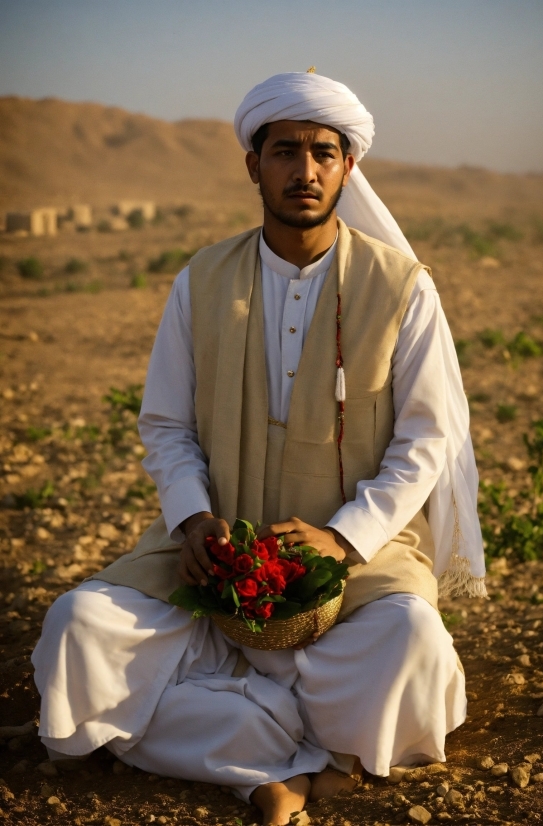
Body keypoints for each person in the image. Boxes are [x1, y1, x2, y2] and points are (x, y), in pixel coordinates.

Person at [32, 71, 486, 826]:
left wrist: (344, 538)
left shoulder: (402, 287)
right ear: (254, 164)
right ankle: (312, 755)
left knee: (412, 643)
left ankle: (240, 744)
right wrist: (193, 523)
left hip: (356, 562)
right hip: (217, 557)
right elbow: (168, 424)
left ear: (348, 167)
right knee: (76, 630)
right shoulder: (202, 280)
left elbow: (426, 438)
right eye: (285, 151)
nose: (304, 171)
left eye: (323, 153)